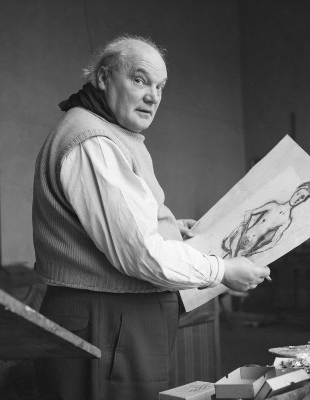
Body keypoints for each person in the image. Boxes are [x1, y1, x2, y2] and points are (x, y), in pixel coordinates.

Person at [32, 34, 270, 400]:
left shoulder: (110, 133)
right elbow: (140, 253)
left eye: (160, 86)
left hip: (119, 326)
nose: (153, 96)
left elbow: (126, 223)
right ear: (103, 78)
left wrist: (171, 228)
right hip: (106, 325)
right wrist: (222, 271)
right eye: (140, 79)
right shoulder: (92, 140)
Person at [222, 182, 310, 258]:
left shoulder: (286, 221)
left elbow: (273, 242)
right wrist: (244, 228)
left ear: (303, 201)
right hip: (241, 235)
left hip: (250, 246)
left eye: (302, 197)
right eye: (298, 194)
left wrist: (254, 251)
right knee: (227, 257)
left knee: (232, 266)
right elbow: (249, 213)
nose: (297, 198)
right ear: (295, 191)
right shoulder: (273, 206)